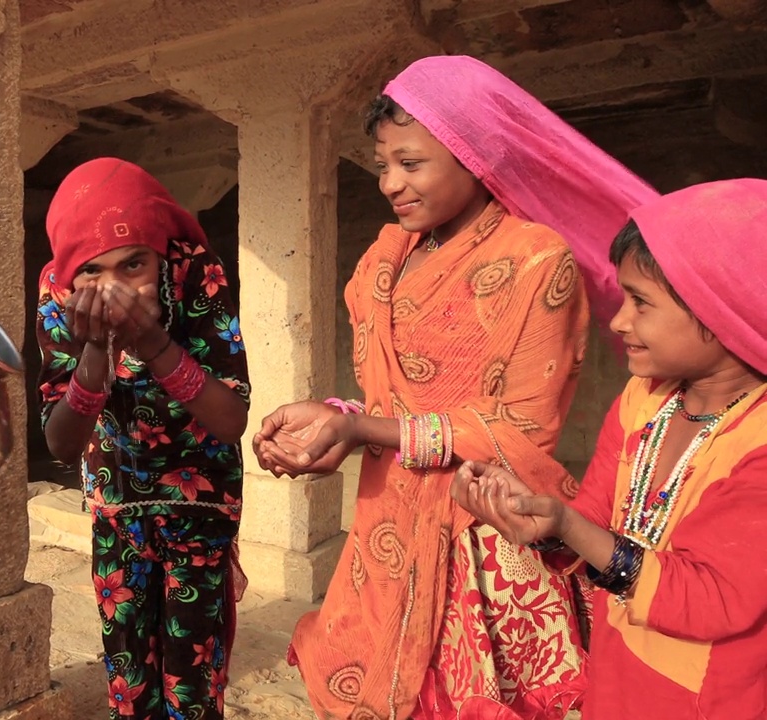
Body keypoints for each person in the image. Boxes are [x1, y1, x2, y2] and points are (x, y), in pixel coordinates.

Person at [252, 55, 658, 718]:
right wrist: (332, 426)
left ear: (475, 156)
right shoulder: (385, 259)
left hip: (480, 531)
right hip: (386, 524)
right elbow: (388, 398)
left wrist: (362, 430)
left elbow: (524, 426)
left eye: (411, 164)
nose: (389, 183)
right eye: (383, 164)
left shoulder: (534, 260)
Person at [451, 179, 767, 720]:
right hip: (620, 678)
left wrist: (570, 528)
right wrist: (533, 518)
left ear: (721, 311)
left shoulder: (756, 443)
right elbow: (597, 519)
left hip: (710, 696)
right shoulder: (643, 403)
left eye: (640, 303)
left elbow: (715, 598)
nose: (619, 321)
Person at [35, 157, 251, 719]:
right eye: (93, 272)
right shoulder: (60, 300)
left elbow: (230, 419)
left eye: (134, 264)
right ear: (70, 276)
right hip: (119, 512)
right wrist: (95, 355)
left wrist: (154, 344)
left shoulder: (195, 275)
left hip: (198, 509)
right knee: (129, 680)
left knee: (191, 683)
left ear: (160, 255)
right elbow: (61, 442)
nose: (114, 289)